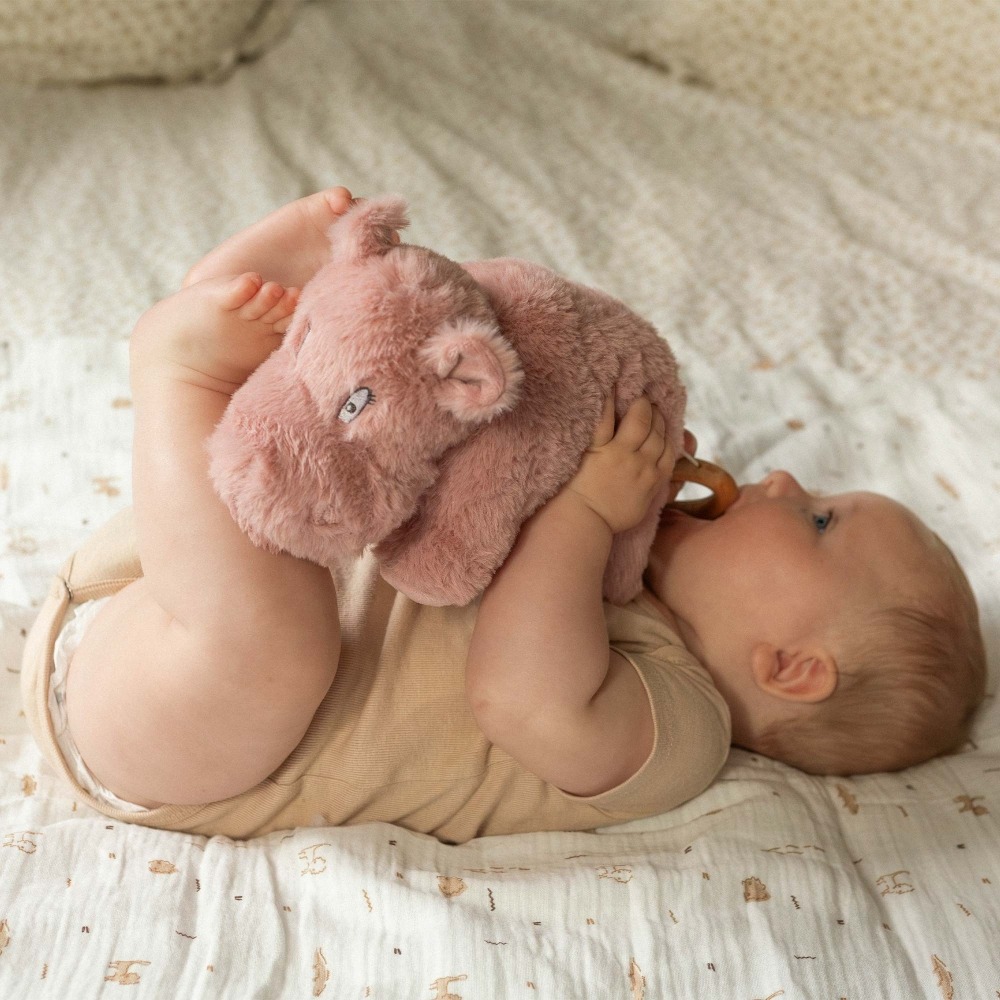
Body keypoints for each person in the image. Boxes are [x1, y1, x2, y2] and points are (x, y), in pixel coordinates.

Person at [20, 188, 987, 844]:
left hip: (181, 744)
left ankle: (180, 371)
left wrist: (586, 513)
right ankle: (296, 326)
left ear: (792, 669)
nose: (780, 480)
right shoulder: (622, 568)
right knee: (340, 457)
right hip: (181, 591)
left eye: (818, 522)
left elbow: (523, 695)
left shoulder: (679, 735)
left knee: (279, 644)